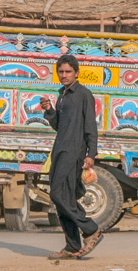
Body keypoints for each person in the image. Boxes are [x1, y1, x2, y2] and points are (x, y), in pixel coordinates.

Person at [40, 54, 102, 259]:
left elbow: (90, 126)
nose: (64, 75)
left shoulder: (84, 94)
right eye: (61, 72)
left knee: (57, 194)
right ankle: (72, 246)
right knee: (62, 198)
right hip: (60, 149)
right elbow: (59, 125)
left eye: (68, 71)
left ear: (76, 73)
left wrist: (90, 154)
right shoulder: (63, 94)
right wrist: (50, 110)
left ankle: (91, 229)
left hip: (73, 151)